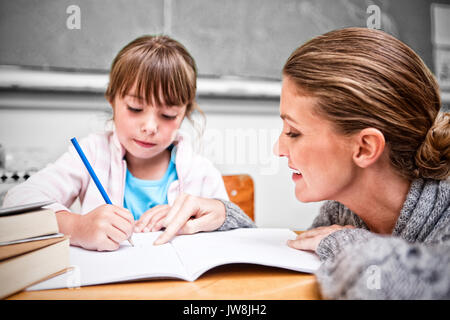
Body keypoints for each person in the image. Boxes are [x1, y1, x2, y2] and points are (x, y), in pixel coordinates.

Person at [154, 28, 450, 299]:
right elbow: (296, 254)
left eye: (293, 132)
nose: (278, 149)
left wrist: (346, 241)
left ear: (364, 147)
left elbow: (407, 285)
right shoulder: (344, 211)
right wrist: (225, 218)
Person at [2, 35, 253, 252]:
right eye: (135, 108)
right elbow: (16, 202)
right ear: (112, 99)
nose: (150, 127)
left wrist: (221, 214)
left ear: (185, 113)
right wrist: (77, 227)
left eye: (168, 115)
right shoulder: (90, 155)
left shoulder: (200, 172)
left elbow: (243, 237)